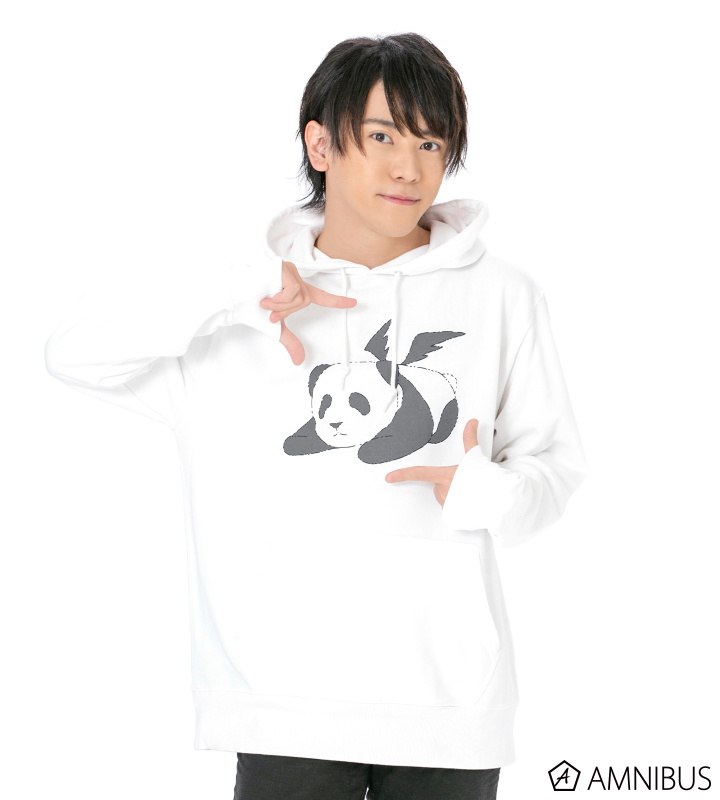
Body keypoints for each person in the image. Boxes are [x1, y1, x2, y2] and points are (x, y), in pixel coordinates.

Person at [44, 32, 588, 800]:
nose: (409, 167)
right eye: (383, 136)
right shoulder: (241, 309)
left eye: (431, 142)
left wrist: (482, 490)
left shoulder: (502, 295)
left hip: (449, 707)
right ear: (321, 144)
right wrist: (239, 293)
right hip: (283, 706)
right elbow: (74, 354)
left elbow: (555, 474)